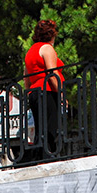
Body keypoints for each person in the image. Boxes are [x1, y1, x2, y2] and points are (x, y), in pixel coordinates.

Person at [24, 19, 64, 157]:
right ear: (51, 34)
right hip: (47, 91)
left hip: (35, 93)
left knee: (40, 129)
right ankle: (48, 158)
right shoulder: (47, 48)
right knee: (51, 129)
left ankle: (38, 158)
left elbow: (27, 79)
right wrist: (61, 93)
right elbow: (52, 73)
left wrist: (29, 92)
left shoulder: (30, 52)